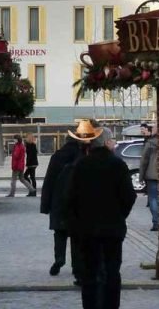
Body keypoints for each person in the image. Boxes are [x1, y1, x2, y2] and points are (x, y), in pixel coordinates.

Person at [66, 126, 137, 309]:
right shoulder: (118, 165)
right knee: (112, 271)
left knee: (89, 272)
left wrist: (78, 221)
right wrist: (120, 214)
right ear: (106, 142)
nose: (114, 143)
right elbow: (129, 196)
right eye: (112, 140)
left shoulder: (81, 165)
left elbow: (71, 197)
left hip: (87, 230)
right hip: (113, 229)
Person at [41, 120, 94, 282]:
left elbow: (49, 180)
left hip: (58, 200)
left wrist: (46, 205)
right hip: (75, 202)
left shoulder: (57, 156)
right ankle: (77, 267)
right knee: (76, 236)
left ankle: (59, 258)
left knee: (60, 232)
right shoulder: (81, 156)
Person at [139, 124, 159, 232]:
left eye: (154, 128)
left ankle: (156, 222)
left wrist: (141, 176)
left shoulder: (150, 143)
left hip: (151, 175)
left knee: (153, 199)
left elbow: (144, 161)